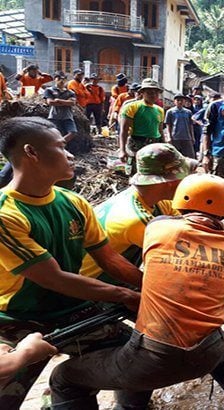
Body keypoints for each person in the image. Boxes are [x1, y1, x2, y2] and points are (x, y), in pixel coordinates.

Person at [50, 174, 224, 409]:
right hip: (210, 354)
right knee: (208, 338)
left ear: (179, 201)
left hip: (153, 363)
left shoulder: (157, 228)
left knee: (63, 378)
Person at [0, 117, 145, 408]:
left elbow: (109, 259)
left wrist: (152, 287)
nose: (70, 154)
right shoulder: (6, 213)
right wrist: (126, 295)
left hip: (73, 308)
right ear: (31, 153)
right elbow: (53, 278)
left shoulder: (74, 202)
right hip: (17, 318)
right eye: (61, 146)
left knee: (141, 361)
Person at [79, 143, 194, 283]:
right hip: (92, 285)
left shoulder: (148, 197)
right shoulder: (136, 219)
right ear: (171, 182)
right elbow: (184, 253)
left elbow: (183, 220)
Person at [118, 79, 164, 171]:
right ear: (142, 92)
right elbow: (124, 130)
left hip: (154, 145)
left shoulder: (159, 110)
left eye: (156, 93)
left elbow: (160, 130)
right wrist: (122, 150)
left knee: (154, 173)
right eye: (150, 92)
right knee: (137, 173)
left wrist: (164, 145)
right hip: (137, 144)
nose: (153, 95)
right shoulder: (132, 107)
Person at [43, 72, 78, 143]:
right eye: (59, 78)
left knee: (73, 132)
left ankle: (59, 143)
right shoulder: (49, 90)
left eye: (64, 79)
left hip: (67, 116)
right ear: (55, 79)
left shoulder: (70, 92)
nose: (61, 81)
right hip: (54, 116)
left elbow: (72, 103)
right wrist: (66, 102)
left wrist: (59, 100)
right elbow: (50, 102)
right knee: (55, 134)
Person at [165, 93, 196, 159]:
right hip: (175, 137)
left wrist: (192, 137)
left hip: (186, 137)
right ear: (174, 101)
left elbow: (191, 125)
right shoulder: (170, 112)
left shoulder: (188, 112)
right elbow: (168, 125)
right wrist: (169, 137)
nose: (180, 102)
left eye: (182, 100)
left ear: (184, 101)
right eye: (178, 100)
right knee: (173, 157)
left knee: (190, 157)